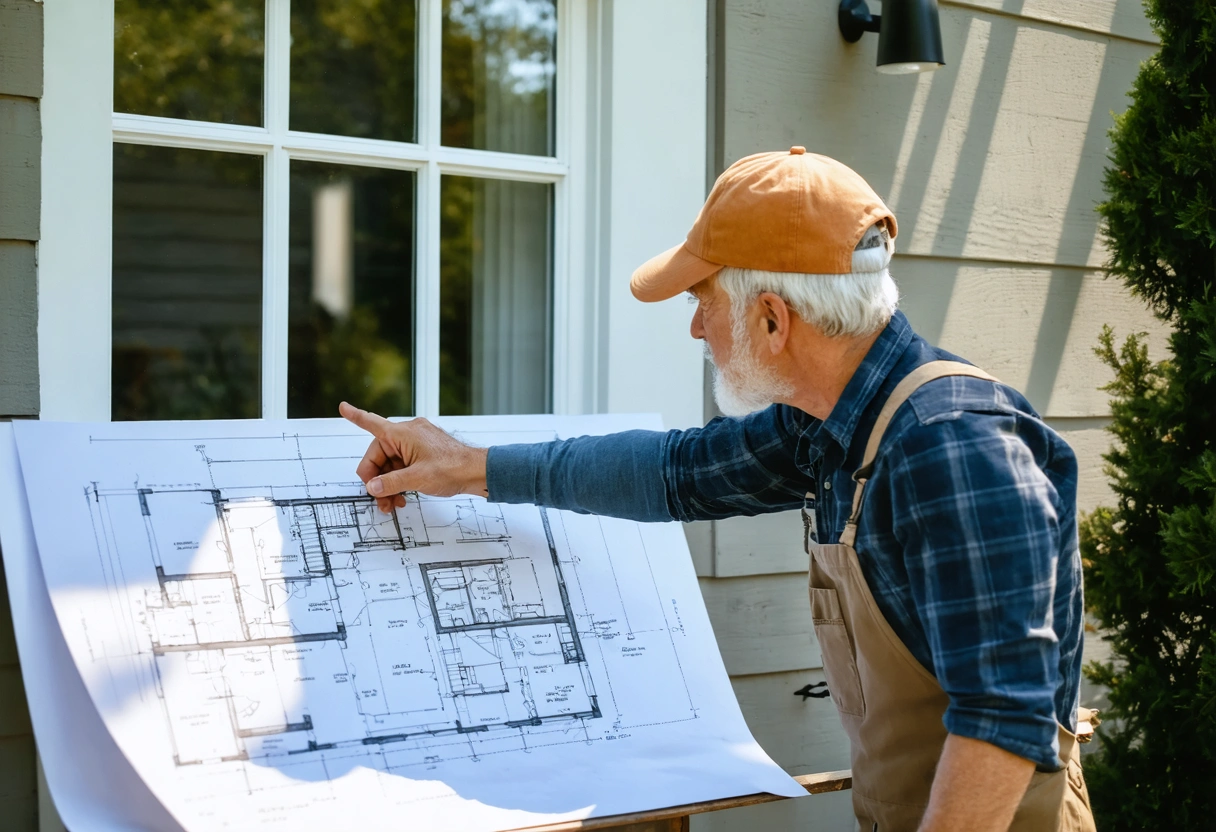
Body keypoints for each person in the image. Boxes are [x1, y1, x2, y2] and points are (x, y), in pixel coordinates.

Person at [339, 147, 1097, 832]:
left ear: (773, 319)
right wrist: (467, 465)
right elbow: (672, 473)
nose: (696, 329)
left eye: (704, 300)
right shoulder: (828, 425)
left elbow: (1002, 720)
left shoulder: (950, 446)